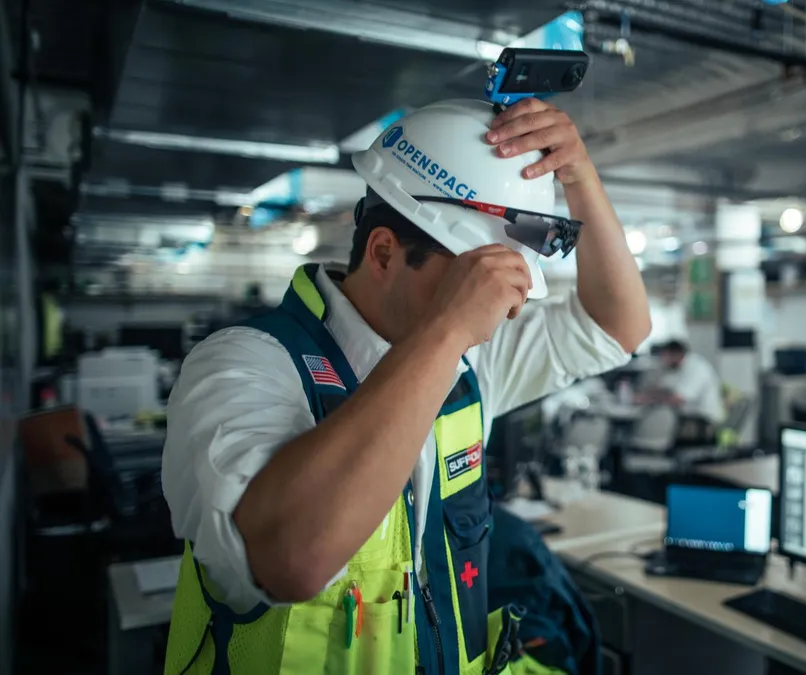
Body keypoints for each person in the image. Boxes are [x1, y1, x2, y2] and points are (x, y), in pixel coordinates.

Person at [160, 97, 650, 674]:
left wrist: (579, 176)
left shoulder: (471, 361)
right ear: (385, 252)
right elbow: (289, 561)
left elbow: (617, 326)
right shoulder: (246, 363)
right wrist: (447, 330)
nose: (497, 318)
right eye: (471, 285)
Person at [637, 340, 724, 426]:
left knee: (657, 422)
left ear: (676, 354)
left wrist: (649, 400)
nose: (662, 360)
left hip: (704, 420)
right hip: (686, 417)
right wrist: (646, 395)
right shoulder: (674, 367)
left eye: (665, 356)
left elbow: (679, 398)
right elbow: (663, 389)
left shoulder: (696, 367)